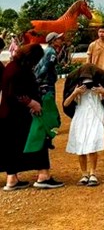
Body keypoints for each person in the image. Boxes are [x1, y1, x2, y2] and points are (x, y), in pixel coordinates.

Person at [1, 44, 64, 190]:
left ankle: (12, 179)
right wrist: (31, 103)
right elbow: (14, 93)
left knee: (12, 145)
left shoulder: (11, 66)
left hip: (6, 114)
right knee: (39, 139)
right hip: (21, 114)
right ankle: (43, 176)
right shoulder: (19, 70)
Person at [63, 65, 104, 186]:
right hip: (80, 117)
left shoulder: (98, 89)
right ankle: (84, 174)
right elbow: (66, 104)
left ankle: (92, 173)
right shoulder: (76, 90)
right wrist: (75, 93)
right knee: (80, 146)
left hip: (95, 115)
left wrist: (103, 91)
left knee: (92, 144)